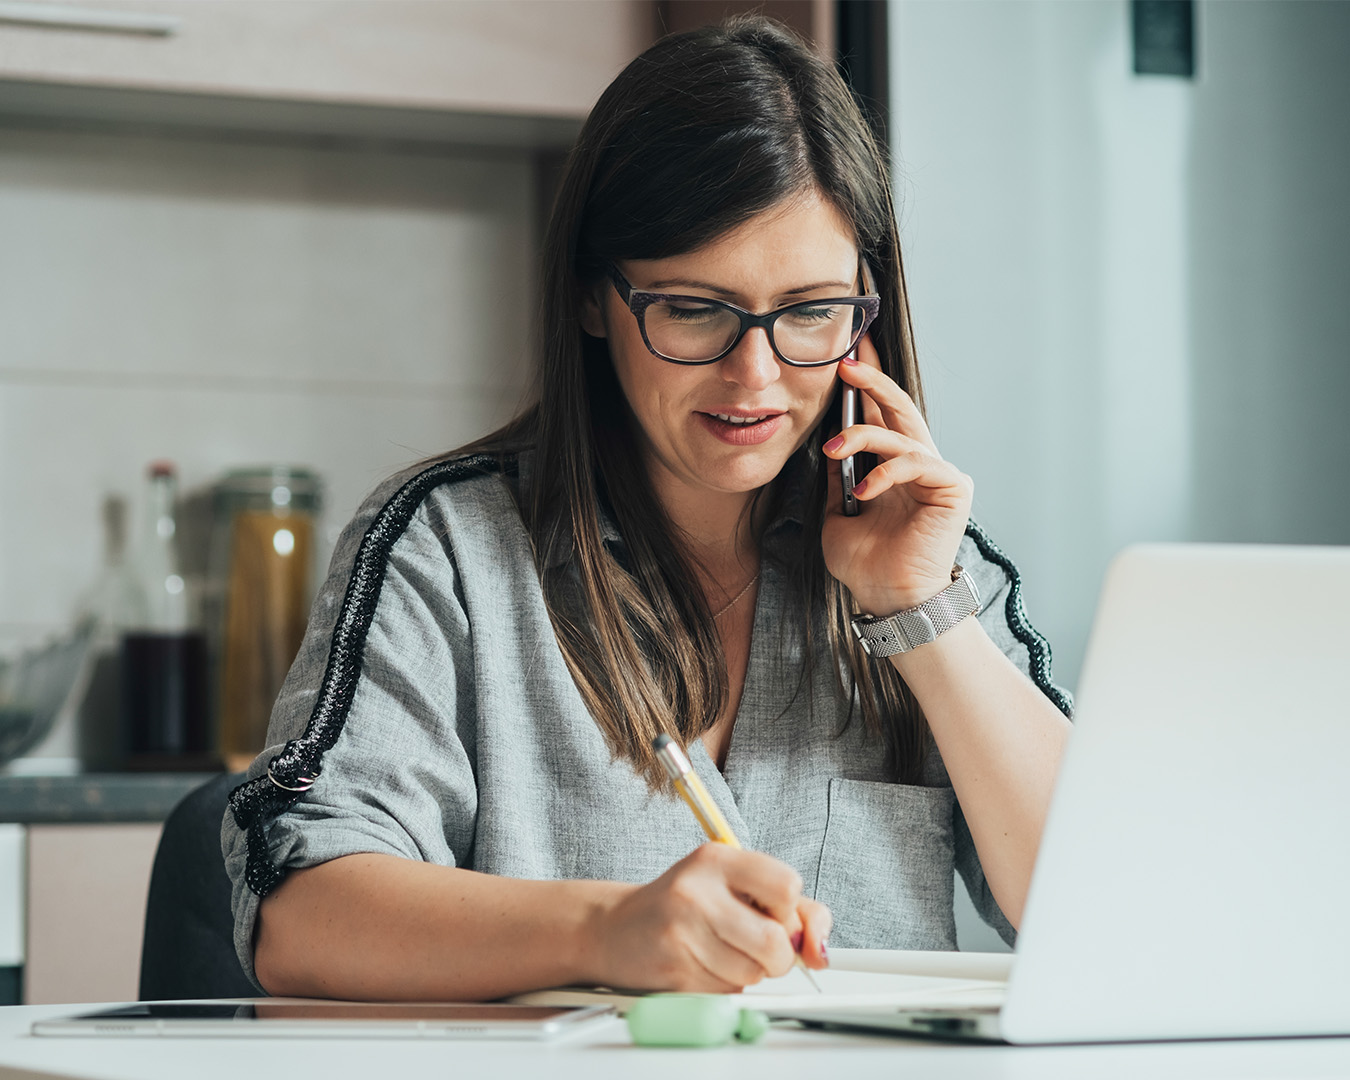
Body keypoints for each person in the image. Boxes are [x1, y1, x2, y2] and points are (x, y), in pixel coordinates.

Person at [223, 15, 1074, 1002]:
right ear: (595, 298)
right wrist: (608, 929)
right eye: (695, 309)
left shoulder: (935, 564)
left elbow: (1103, 911)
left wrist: (921, 614)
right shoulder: (448, 549)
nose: (754, 376)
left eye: (808, 313)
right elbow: (298, 913)